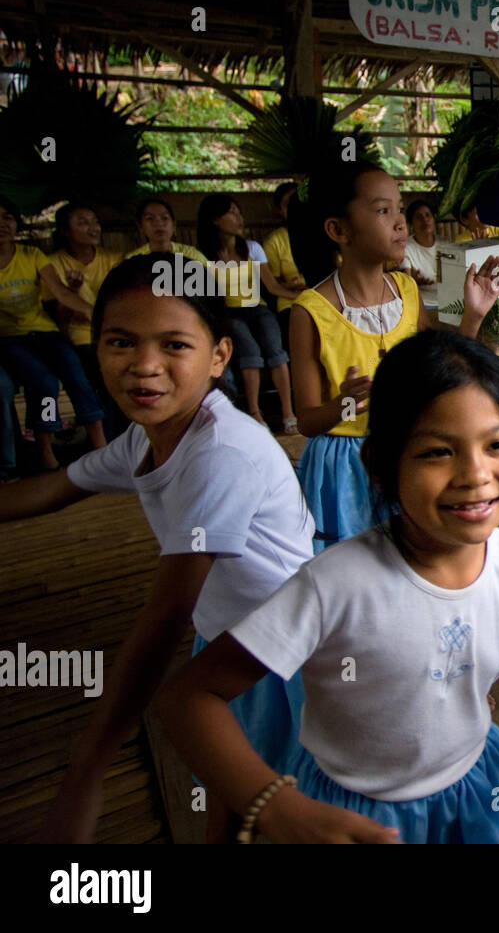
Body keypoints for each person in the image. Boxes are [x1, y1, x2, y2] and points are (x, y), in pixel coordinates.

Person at [156, 329, 499, 844]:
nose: (475, 473)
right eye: (438, 452)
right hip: (355, 813)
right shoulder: (335, 584)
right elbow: (189, 697)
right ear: (384, 466)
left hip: (479, 792)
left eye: (497, 445)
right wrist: (271, 803)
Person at [0, 254, 314, 842]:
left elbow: (166, 614)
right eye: (121, 342)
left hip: (286, 654)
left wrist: (86, 771)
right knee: (232, 789)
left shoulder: (222, 452)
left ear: (220, 356)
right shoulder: (148, 438)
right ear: (96, 349)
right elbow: (53, 488)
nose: (144, 367)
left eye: (174, 345)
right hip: (229, 636)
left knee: (280, 796)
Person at [288, 162, 499, 553]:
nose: (400, 222)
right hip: (344, 469)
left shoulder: (406, 290)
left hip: (405, 453)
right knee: (353, 576)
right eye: (383, 210)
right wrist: (344, 405)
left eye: (400, 208)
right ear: (339, 230)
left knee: (408, 560)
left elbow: (437, 373)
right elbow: (306, 421)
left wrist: (472, 315)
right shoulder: (310, 312)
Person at [0, 195, 107, 471]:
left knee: (75, 374)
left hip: (45, 332)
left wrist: (98, 319)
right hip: (9, 338)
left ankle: (101, 448)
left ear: (17, 224)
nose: (3, 224)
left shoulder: (32, 256)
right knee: (45, 383)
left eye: (8, 217)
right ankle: (45, 450)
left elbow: (60, 293)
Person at [196, 194, 300, 432]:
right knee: (249, 350)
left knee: (275, 349)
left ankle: (288, 413)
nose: (239, 218)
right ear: (215, 219)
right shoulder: (203, 256)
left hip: (258, 308)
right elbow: (207, 295)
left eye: (239, 212)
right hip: (229, 313)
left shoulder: (252, 248)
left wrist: (305, 296)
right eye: (231, 213)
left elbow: (273, 287)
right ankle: (255, 413)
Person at [45, 201, 126, 439]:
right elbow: (59, 321)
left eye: (95, 222)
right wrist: (70, 291)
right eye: (83, 223)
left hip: (113, 333)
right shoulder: (53, 264)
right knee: (100, 377)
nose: (93, 227)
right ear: (65, 231)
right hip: (80, 337)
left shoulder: (113, 260)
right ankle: (109, 443)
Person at [262, 182, 306, 347]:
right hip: (290, 303)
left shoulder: (324, 235)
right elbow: (272, 284)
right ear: (280, 211)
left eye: (300, 203)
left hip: (325, 297)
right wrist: (291, 286)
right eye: (289, 205)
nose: (297, 209)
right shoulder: (275, 242)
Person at [123, 198, 207, 262]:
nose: (158, 223)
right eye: (150, 219)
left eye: (164, 218)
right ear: (141, 227)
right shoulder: (132, 261)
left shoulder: (192, 256)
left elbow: (213, 282)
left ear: (174, 225)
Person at [400, 198, 441, 309]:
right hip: (422, 304)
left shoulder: (445, 243)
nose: (425, 220)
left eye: (428, 215)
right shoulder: (406, 248)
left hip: (449, 301)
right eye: (419, 217)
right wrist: (414, 281)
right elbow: (407, 283)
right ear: (411, 224)